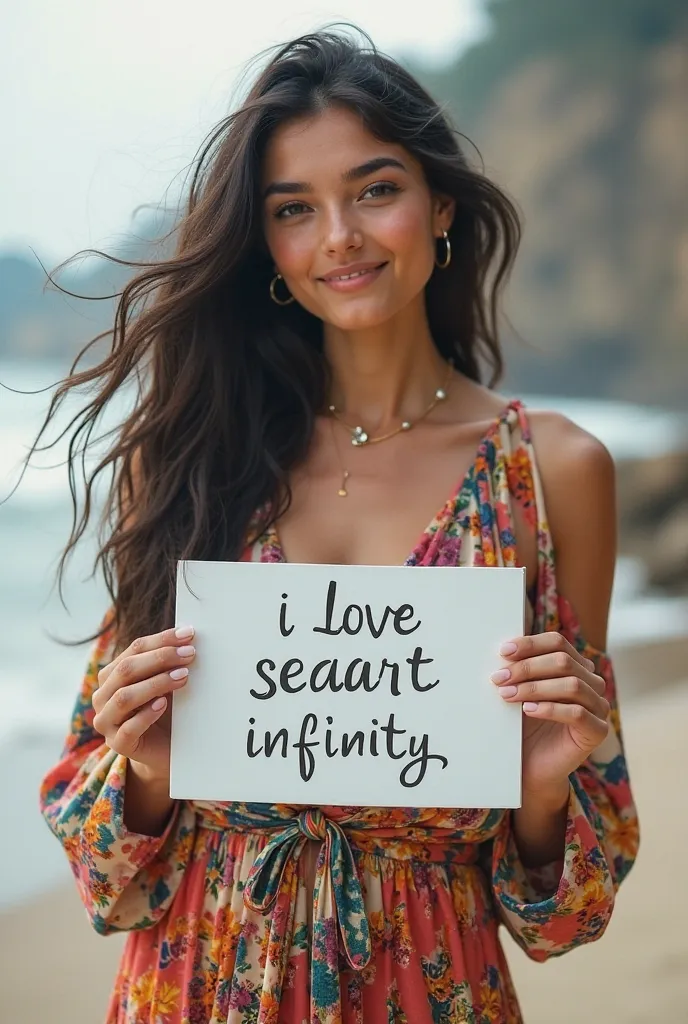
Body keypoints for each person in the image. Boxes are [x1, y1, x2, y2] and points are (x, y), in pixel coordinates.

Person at [38, 29, 639, 1024]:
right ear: (266, 243)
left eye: (373, 190)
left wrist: (538, 791)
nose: (339, 237)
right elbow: (106, 873)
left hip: (428, 988)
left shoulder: (556, 472)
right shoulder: (190, 455)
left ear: (439, 204)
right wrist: (143, 768)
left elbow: (562, 915)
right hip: (192, 983)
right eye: (293, 209)